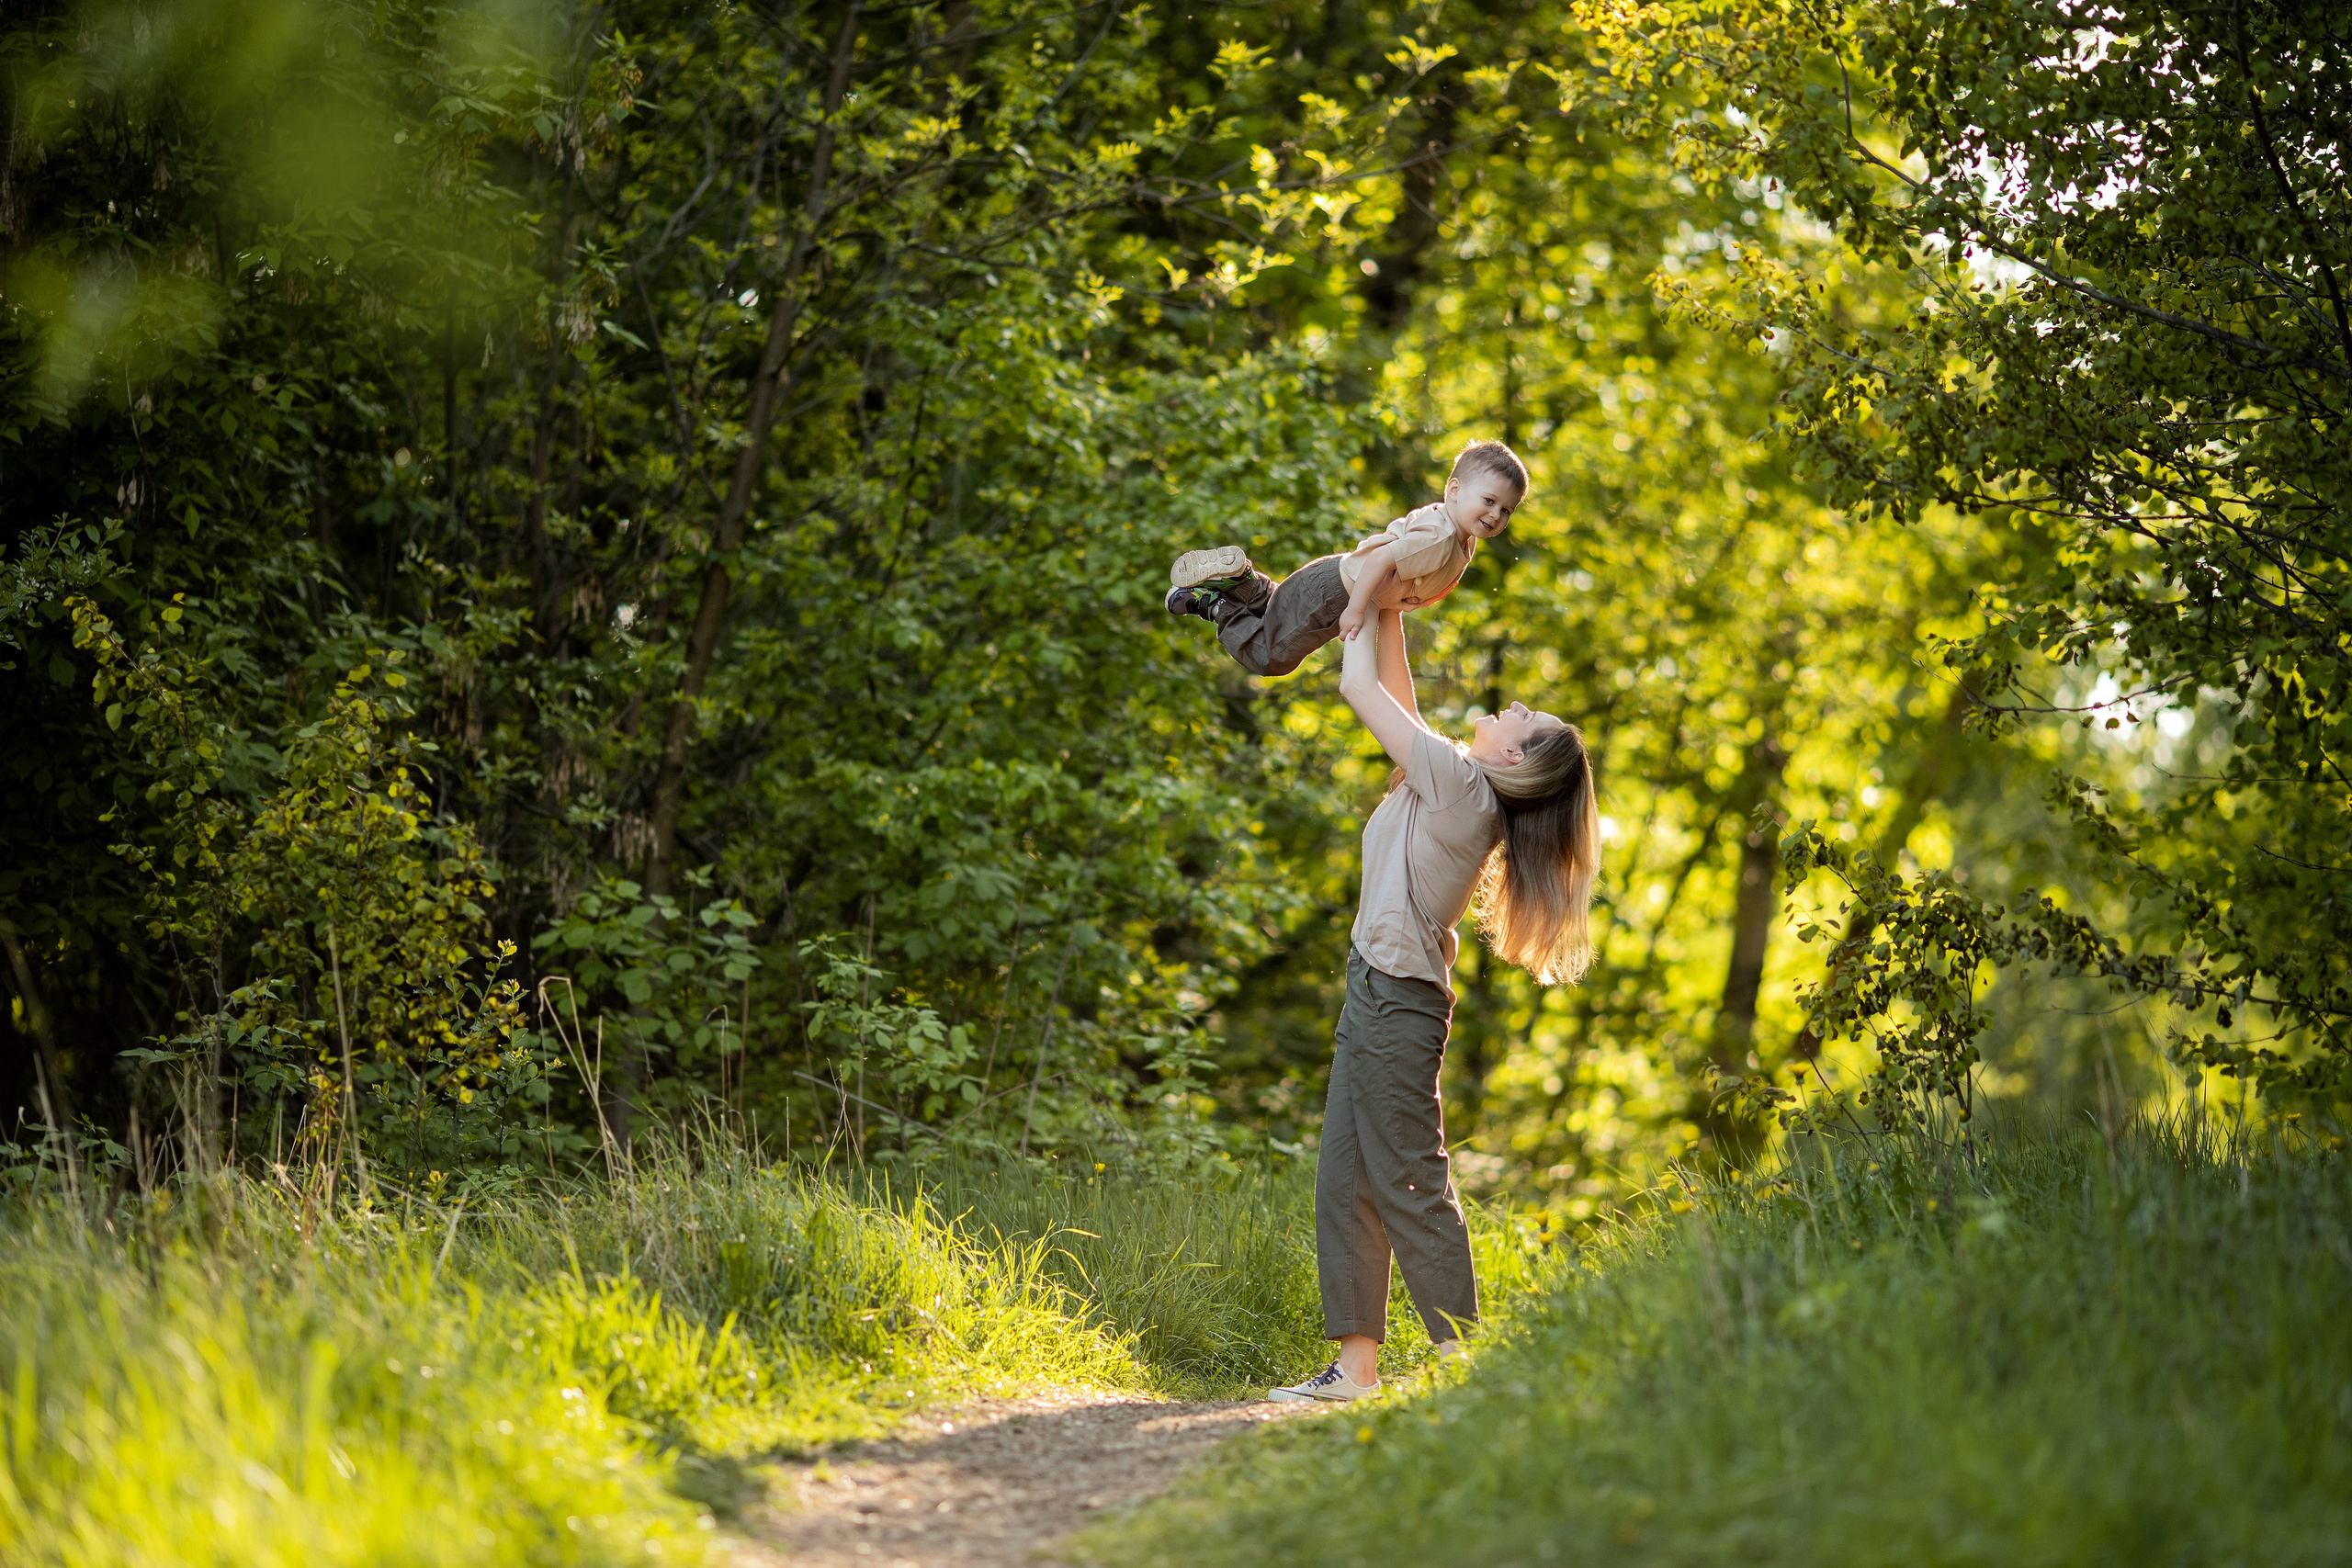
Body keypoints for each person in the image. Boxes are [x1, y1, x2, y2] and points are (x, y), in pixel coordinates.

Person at [1267, 603, 1599, 1403]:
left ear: (1516, 753)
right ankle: (1355, 1369)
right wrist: (1390, 607)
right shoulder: (1455, 776)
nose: (1508, 706)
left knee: (1409, 1178)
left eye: (1522, 715)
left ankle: (1468, 1366)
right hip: (1374, 990)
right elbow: (1395, 686)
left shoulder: (1459, 787)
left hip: (1397, 1003)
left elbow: (1359, 686)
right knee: (1346, 1179)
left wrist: (1364, 586)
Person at [1164, 441, 1528, 678]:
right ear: (1454, 490)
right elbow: (1382, 558)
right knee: (1271, 656)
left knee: (1275, 610)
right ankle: (1213, 605)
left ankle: (1242, 581)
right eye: (1489, 501)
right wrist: (1354, 610)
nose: (1496, 515)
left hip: (1330, 579)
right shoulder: (1441, 536)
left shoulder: (1457, 533)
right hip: (1336, 596)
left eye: (1506, 510)